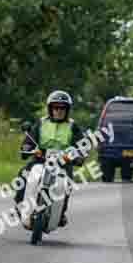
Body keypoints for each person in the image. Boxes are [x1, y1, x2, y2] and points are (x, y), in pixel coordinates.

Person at [13, 90, 84, 227]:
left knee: (67, 184)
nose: (58, 111)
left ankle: (61, 212)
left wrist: (79, 155)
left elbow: (81, 145)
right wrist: (27, 148)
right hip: (41, 158)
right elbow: (29, 140)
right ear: (50, 108)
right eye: (55, 107)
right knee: (23, 174)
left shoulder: (73, 126)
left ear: (67, 110)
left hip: (63, 161)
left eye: (62, 108)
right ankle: (19, 204)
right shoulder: (41, 123)